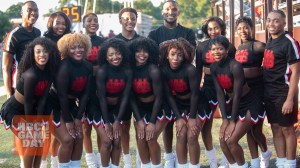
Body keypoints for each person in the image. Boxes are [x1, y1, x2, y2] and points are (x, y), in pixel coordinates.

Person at [148, 1, 196, 166]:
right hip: (163, 84)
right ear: (162, 12)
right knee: (167, 124)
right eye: (167, 9)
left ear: (178, 12)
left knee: (182, 128)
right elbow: (152, 59)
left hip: (182, 82)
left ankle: (183, 160)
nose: (171, 11)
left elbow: (190, 55)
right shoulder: (154, 34)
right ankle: (169, 158)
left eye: (174, 9)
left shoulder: (187, 32)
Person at [0, 37, 60, 168]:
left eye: (45, 51)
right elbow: (27, 101)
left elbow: (43, 97)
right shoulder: (31, 74)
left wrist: (38, 119)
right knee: (33, 141)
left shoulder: (49, 72)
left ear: (50, 53)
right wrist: (32, 123)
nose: (42, 55)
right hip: (16, 111)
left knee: (39, 143)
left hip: (32, 109)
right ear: (32, 55)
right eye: (38, 52)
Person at [210, 36, 262, 168]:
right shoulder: (214, 67)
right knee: (223, 140)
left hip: (249, 102)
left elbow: (238, 95)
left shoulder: (235, 65)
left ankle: (245, 164)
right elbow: (220, 94)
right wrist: (225, 120)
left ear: (227, 50)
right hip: (233, 104)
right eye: (214, 49)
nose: (217, 51)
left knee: (232, 141)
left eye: (220, 48)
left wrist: (232, 121)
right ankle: (235, 166)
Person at [195, 16, 236, 168]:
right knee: (206, 125)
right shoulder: (201, 46)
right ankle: (213, 160)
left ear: (221, 28)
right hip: (208, 87)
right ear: (206, 30)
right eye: (210, 29)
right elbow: (199, 69)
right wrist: (197, 88)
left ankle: (227, 161)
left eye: (216, 28)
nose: (213, 31)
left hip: (226, 87)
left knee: (227, 123)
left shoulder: (229, 46)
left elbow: (233, 67)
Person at [160, 38, 206, 168]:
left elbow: (196, 94)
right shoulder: (163, 70)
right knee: (180, 135)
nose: (176, 58)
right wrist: (179, 118)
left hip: (197, 104)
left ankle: (194, 166)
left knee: (191, 136)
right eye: (173, 54)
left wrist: (192, 117)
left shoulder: (190, 69)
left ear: (184, 56)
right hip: (179, 104)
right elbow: (169, 95)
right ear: (167, 55)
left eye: (180, 55)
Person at [49, 33, 92, 168]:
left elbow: (85, 94)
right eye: (73, 48)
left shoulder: (88, 66)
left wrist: (79, 117)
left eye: (80, 47)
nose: (77, 50)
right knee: (67, 140)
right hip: (54, 104)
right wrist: (68, 120)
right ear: (66, 50)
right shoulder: (63, 67)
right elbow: (61, 96)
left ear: (86, 48)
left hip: (71, 104)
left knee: (79, 137)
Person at [263, 10, 300, 168]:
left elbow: (296, 71)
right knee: (275, 128)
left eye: (276, 21)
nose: (271, 24)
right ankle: (281, 162)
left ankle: (290, 164)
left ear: (284, 23)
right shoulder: (270, 40)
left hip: (283, 93)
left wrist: (290, 99)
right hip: (269, 93)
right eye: (269, 20)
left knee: (287, 130)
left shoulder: (289, 41)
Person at [235, 16, 272, 168]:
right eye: (239, 29)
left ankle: (265, 152)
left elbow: (272, 63)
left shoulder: (259, 46)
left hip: (257, 91)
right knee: (249, 130)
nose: (243, 31)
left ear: (252, 28)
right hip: (243, 92)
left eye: (246, 27)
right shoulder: (237, 48)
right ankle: (255, 162)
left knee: (256, 130)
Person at [129, 37, 167, 168]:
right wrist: (138, 120)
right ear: (132, 52)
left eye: (145, 51)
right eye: (138, 51)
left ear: (150, 52)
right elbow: (131, 98)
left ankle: (156, 166)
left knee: (150, 138)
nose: (142, 54)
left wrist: (151, 122)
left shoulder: (153, 70)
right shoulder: (130, 70)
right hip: (140, 109)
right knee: (140, 139)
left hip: (159, 108)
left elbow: (160, 97)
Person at [96, 38, 132, 168]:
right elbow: (101, 98)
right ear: (105, 57)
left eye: (117, 53)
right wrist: (107, 122)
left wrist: (117, 121)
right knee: (106, 141)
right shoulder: (102, 71)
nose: (115, 57)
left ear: (122, 54)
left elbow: (125, 97)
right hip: (100, 109)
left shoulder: (127, 71)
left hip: (117, 109)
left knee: (117, 141)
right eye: (110, 55)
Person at [42, 11, 71, 168]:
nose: (61, 26)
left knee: (60, 131)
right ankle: (49, 161)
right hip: (49, 90)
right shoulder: (45, 41)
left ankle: (55, 162)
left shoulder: (69, 39)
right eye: (57, 23)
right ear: (51, 23)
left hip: (66, 90)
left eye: (63, 23)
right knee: (51, 129)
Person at [115, 7, 140, 168]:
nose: (130, 21)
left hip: (139, 89)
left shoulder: (142, 41)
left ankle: (140, 160)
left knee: (140, 126)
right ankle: (127, 161)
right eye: (126, 18)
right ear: (120, 20)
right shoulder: (114, 42)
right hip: (120, 91)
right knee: (124, 126)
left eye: (132, 18)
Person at [2, 0, 41, 99]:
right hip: (19, 85)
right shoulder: (14, 35)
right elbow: (6, 68)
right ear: (22, 13)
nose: (33, 13)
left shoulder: (38, 33)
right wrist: (8, 95)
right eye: (29, 10)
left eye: (36, 10)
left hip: (36, 83)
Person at [82, 13, 105, 168]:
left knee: (99, 125)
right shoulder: (79, 41)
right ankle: (90, 160)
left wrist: (97, 69)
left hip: (100, 88)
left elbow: (107, 63)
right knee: (85, 127)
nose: (93, 23)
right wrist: (93, 68)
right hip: (83, 86)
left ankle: (100, 157)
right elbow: (77, 64)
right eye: (89, 21)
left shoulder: (104, 42)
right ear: (83, 24)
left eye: (95, 21)